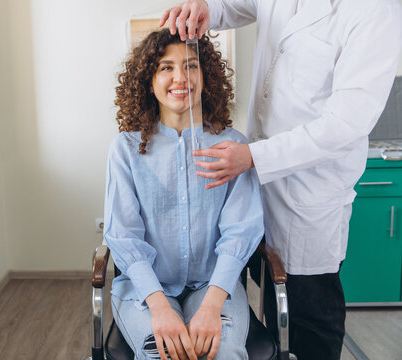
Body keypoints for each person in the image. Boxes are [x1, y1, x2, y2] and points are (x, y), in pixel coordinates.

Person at [160, 1, 402, 359]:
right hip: (261, 179)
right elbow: (232, 5)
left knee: (308, 316)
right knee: (275, 308)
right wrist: (206, 7)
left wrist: (255, 156)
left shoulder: (374, 13)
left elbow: (346, 124)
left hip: (310, 191)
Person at [104, 29, 264, 360]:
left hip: (213, 286)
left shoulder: (233, 147)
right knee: (160, 353)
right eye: (166, 67)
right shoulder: (126, 149)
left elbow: (241, 230)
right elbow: (124, 235)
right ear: (148, 80)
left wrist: (212, 305)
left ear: (206, 76)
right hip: (144, 292)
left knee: (222, 352)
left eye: (191, 66)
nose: (181, 77)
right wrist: (160, 307)